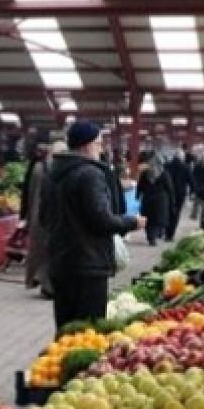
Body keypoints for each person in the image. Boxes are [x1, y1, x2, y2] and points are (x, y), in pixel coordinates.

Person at [40, 121, 140, 333]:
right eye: (98, 143)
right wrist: (132, 222)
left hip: (60, 263)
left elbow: (42, 218)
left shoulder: (52, 174)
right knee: (89, 331)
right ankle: (78, 366)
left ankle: (63, 364)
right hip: (88, 265)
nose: (101, 148)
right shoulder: (90, 174)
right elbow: (101, 220)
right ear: (86, 145)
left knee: (66, 329)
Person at [22, 142, 63, 297]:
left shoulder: (39, 168)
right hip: (49, 215)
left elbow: (29, 193)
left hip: (39, 214)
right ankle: (48, 286)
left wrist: (28, 214)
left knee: (42, 251)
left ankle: (46, 284)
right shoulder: (53, 170)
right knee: (48, 252)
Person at [137, 156, 175, 247]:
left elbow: (140, 186)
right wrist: (172, 200)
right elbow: (170, 188)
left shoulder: (145, 173)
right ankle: (153, 236)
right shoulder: (164, 173)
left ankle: (150, 236)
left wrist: (137, 196)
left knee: (148, 219)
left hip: (147, 199)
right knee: (157, 220)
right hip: (160, 200)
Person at [164, 151, 192, 242]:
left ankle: (166, 231)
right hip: (180, 194)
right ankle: (170, 235)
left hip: (168, 193)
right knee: (176, 214)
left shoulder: (167, 166)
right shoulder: (186, 167)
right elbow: (190, 180)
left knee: (168, 212)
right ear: (182, 157)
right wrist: (193, 191)